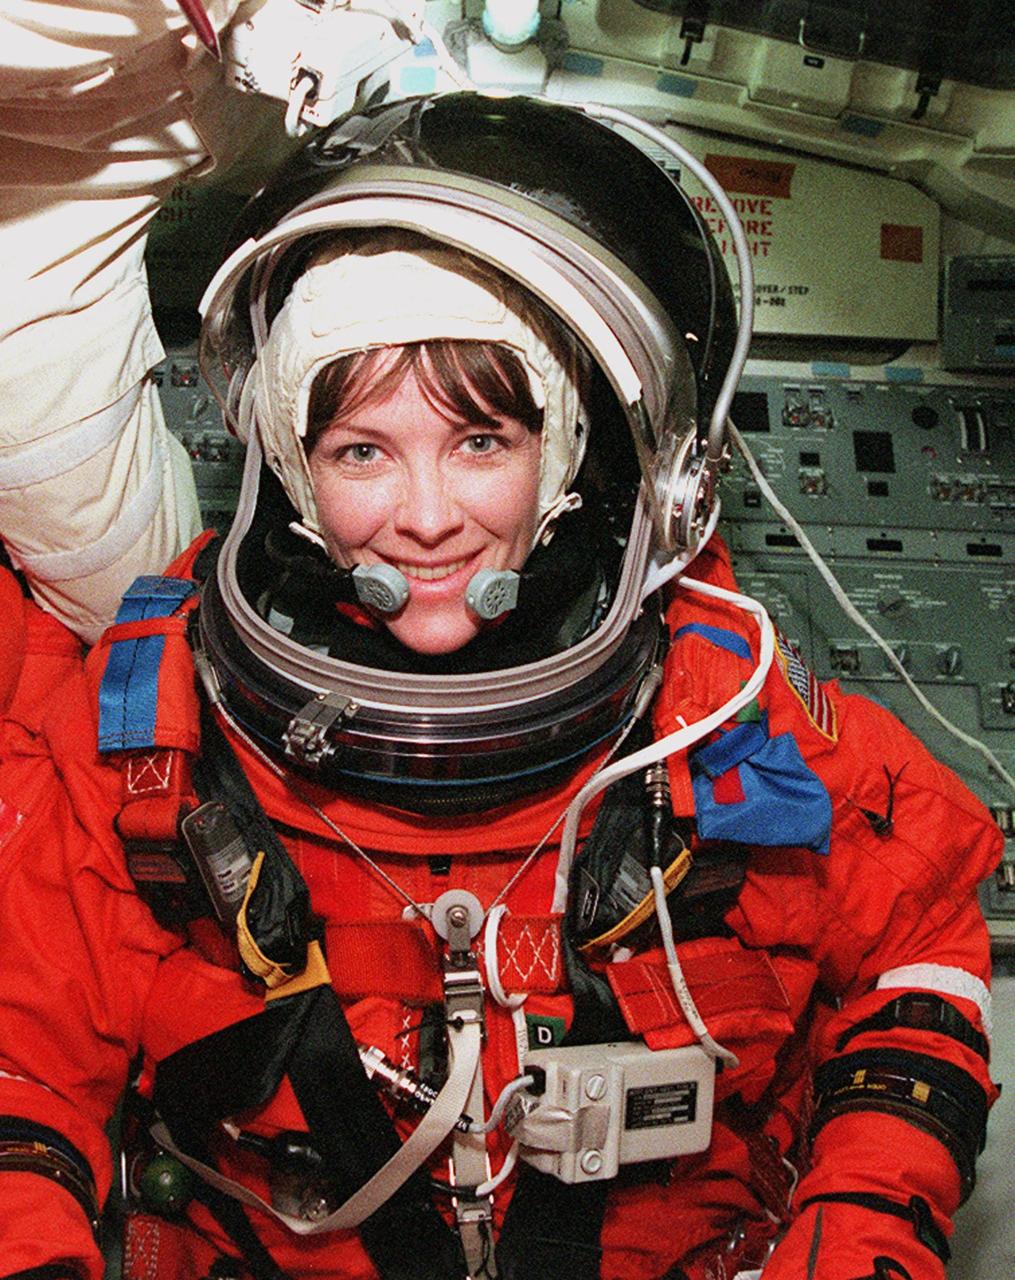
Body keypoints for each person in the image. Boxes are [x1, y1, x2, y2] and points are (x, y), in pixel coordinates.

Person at [0, 93, 1002, 1280]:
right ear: (292, 471)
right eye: (361, 450)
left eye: (482, 441)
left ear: (568, 453)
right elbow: (24, 1057)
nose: (426, 519)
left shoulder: (715, 714)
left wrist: (868, 1229)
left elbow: (920, 947)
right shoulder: (155, 734)